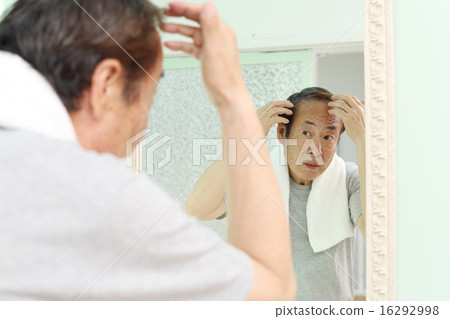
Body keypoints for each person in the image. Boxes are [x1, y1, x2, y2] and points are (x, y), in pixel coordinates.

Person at [0, 0, 296, 300]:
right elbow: (270, 297)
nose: (141, 131)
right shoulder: (100, 195)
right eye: (149, 98)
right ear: (107, 85)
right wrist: (233, 97)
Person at [187, 87, 366, 300]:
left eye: (328, 136)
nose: (315, 149)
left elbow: (375, 232)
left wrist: (363, 140)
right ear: (283, 132)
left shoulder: (349, 179)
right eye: (306, 133)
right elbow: (198, 207)